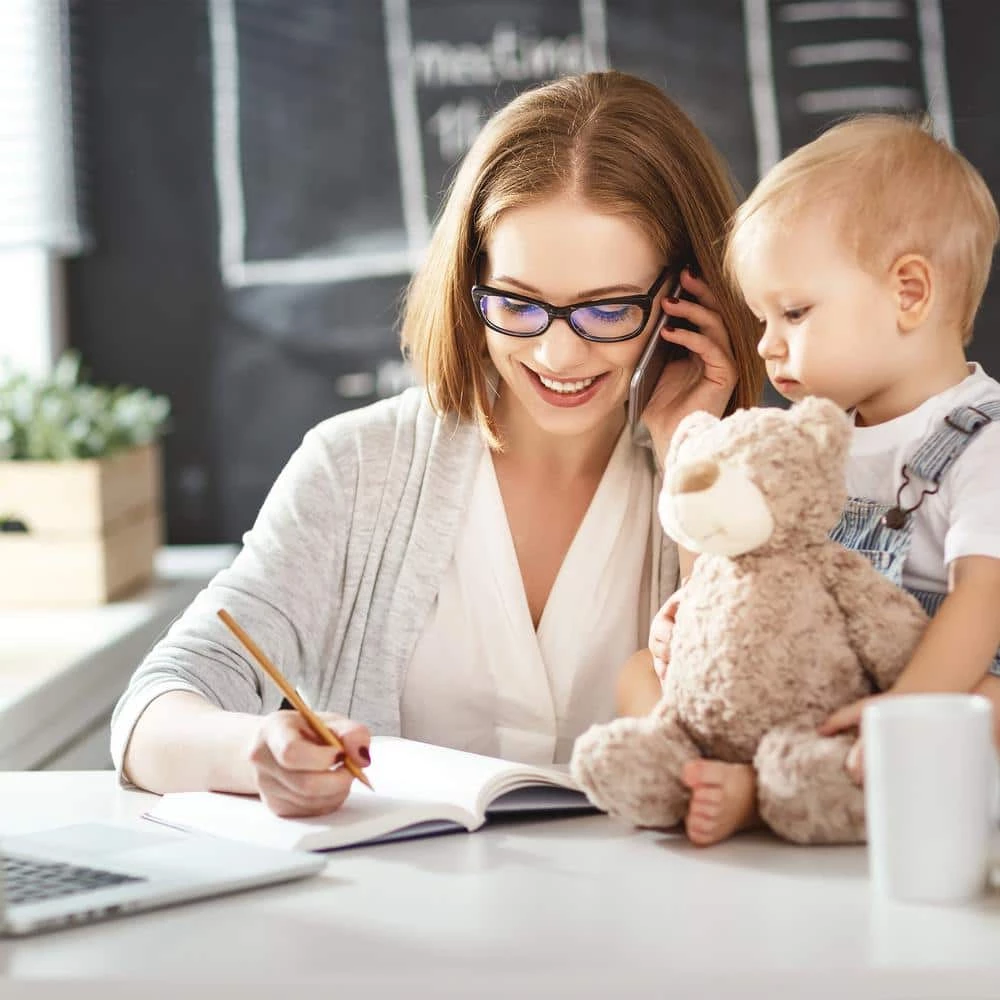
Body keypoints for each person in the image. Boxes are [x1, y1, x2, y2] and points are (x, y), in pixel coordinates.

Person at [111, 70, 764, 818]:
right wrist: (255, 750)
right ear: (470, 282)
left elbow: (747, 740)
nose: (557, 356)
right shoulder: (358, 468)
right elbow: (152, 716)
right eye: (517, 303)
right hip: (399, 925)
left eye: (607, 309)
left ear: (684, 300)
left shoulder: (745, 481)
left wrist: (694, 452)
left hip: (659, 923)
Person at [644, 113, 1000, 846]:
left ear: (909, 293)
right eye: (762, 318)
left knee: (985, 713)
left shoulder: (982, 437)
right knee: (635, 676)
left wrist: (907, 710)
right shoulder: (815, 438)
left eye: (794, 312)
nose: (769, 346)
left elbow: (983, 598)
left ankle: (761, 793)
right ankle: (750, 773)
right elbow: (751, 558)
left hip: (937, 685)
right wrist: (695, 611)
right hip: (823, 679)